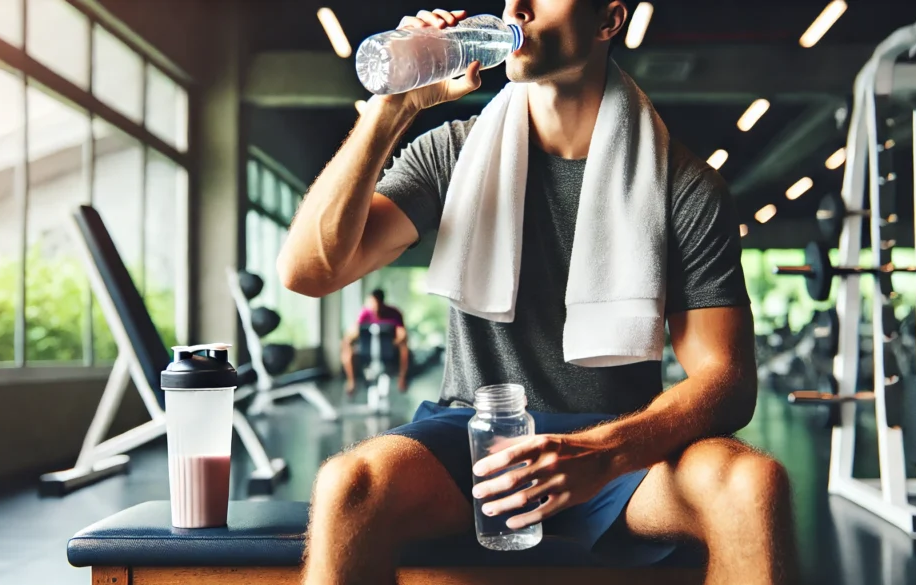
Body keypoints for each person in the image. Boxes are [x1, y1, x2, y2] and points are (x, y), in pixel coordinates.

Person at [278, 2, 797, 584]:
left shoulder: (684, 184)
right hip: (474, 440)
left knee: (753, 485)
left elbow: (726, 381)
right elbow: (310, 272)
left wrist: (602, 454)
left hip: (621, 454)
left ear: (609, 21)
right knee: (349, 485)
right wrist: (392, 108)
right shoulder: (452, 152)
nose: (516, 9)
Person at [340, 288, 410, 393]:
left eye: (375, 302)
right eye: (371, 302)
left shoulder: (394, 313)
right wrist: (349, 339)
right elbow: (352, 332)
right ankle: (351, 381)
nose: (373, 305)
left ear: (381, 302)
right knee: (347, 350)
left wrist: (395, 342)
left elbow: (402, 334)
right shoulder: (365, 314)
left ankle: (402, 379)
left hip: (389, 349)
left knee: (404, 348)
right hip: (367, 350)